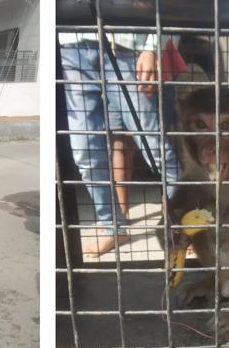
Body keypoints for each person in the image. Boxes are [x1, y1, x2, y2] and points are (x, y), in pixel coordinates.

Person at [60, 31, 186, 257]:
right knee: (85, 151)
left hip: (125, 45)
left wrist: (153, 46)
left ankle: (186, 227)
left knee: (155, 147)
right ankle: (112, 227)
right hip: (71, 46)